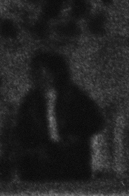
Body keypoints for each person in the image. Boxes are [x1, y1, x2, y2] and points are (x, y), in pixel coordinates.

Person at [7, 50, 103, 182]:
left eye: (41, 71)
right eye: (34, 72)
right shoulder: (30, 101)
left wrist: (74, 137)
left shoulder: (74, 96)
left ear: (55, 73)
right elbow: (22, 132)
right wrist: (35, 148)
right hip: (41, 161)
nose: (37, 76)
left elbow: (96, 121)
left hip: (71, 158)